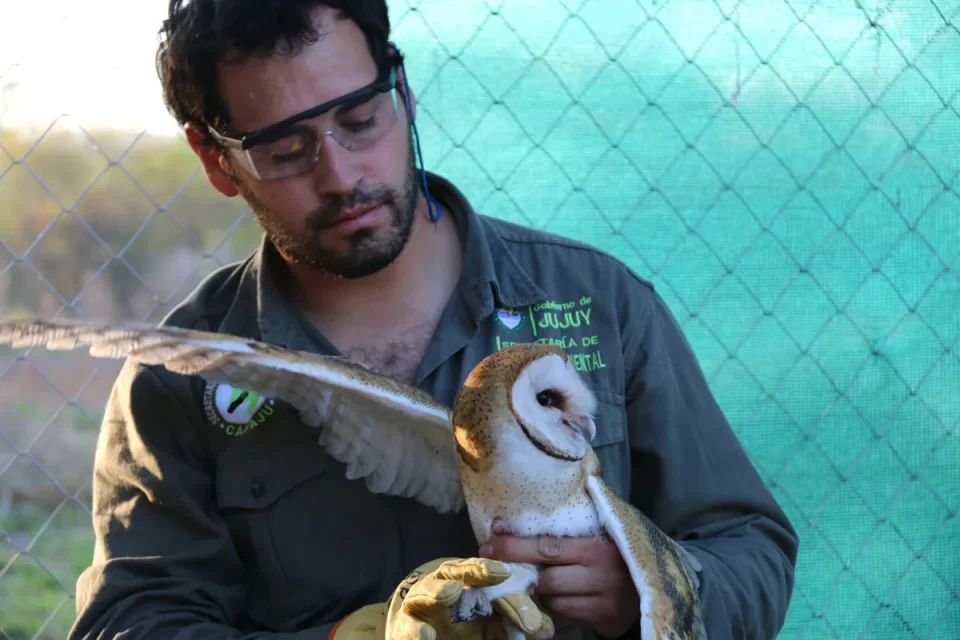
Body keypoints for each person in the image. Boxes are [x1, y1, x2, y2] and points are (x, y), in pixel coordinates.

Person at [69, 1, 799, 638]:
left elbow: (750, 546)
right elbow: (131, 621)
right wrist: (352, 639)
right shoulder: (184, 377)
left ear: (404, 89)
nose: (343, 173)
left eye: (361, 119)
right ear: (215, 159)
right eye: (287, 150)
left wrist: (644, 590)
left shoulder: (596, 302)